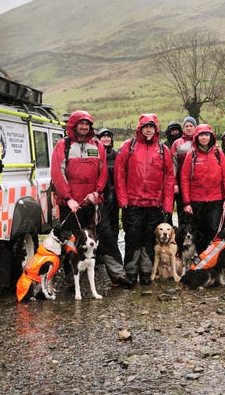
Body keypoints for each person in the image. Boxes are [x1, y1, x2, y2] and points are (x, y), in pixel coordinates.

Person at [114, 114, 175, 286]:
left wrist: (168, 205)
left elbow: (169, 178)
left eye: (152, 127)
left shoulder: (163, 150)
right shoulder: (128, 146)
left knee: (149, 238)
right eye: (145, 127)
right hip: (132, 202)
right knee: (132, 237)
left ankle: (146, 272)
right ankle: (131, 272)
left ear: (156, 129)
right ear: (140, 129)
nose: (148, 129)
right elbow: (119, 173)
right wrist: (122, 200)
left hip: (154, 203)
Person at [51, 110, 107, 283]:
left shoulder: (97, 146)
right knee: (70, 241)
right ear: (74, 126)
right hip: (70, 203)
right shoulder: (63, 145)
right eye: (81, 124)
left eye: (87, 124)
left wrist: (96, 192)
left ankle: (87, 271)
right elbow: (57, 174)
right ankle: (70, 274)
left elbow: (103, 172)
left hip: (89, 202)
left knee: (91, 237)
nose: (84, 127)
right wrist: (68, 199)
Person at [180, 124, 225, 254]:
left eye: (206, 135)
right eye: (201, 135)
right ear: (196, 138)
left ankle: (213, 259)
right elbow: (184, 179)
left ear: (211, 137)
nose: (204, 138)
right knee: (199, 231)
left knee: (214, 230)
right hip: (196, 199)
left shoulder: (218, 154)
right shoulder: (191, 155)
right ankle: (202, 259)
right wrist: (186, 202)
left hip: (215, 199)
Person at [96, 128, 132, 289]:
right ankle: (97, 257)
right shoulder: (95, 153)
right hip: (99, 196)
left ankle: (110, 259)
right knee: (98, 229)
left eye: (108, 137)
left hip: (114, 195)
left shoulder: (116, 154)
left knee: (112, 227)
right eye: (103, 137)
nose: (106, 139)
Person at [172, 116, 197, 224]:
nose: (189, 128)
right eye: (186, 126)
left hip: (198, 184)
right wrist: (174, 183)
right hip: (182, 184)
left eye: (191, 126)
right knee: (183, 212)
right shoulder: (177, 143)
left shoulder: (202, 140)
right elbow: (173, 165)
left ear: (195, 127)